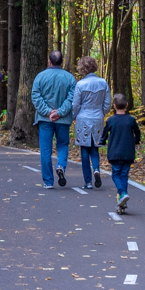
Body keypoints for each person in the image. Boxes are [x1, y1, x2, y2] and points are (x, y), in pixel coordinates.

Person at [31, 50, 77, 188]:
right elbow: (72, 98)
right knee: (62, 144)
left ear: (49, 61)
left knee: (45, 150)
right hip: (63, 119)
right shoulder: (70, 78)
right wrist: (60, 112)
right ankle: (61, 165)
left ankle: (48, 181)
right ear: (62, 61)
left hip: (45, 119)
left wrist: (47, 112)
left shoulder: (40, 77)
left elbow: (35, 96)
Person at [71, 56, 110, 190]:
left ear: (82, 68)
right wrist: (101, 113)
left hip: (83, 118)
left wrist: (75, 116)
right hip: (98, 117)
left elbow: (76, 104)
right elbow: (107, 104)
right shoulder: (103, 83)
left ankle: (87, 181)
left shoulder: (80, 84)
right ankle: (97, 170)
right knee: (95, 147)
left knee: (84, 149)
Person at [103, 92, 142, 213]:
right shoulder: (130, 120)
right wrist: (136, 140)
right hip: (128, 152)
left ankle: (122, 193)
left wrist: (102, 141)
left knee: (115, 174)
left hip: (114, 152)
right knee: (124, 174)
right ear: (127, 104)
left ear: (114, 106)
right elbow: (137, 132)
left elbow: (104, 134)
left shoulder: (111, 120)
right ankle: (122, 201)